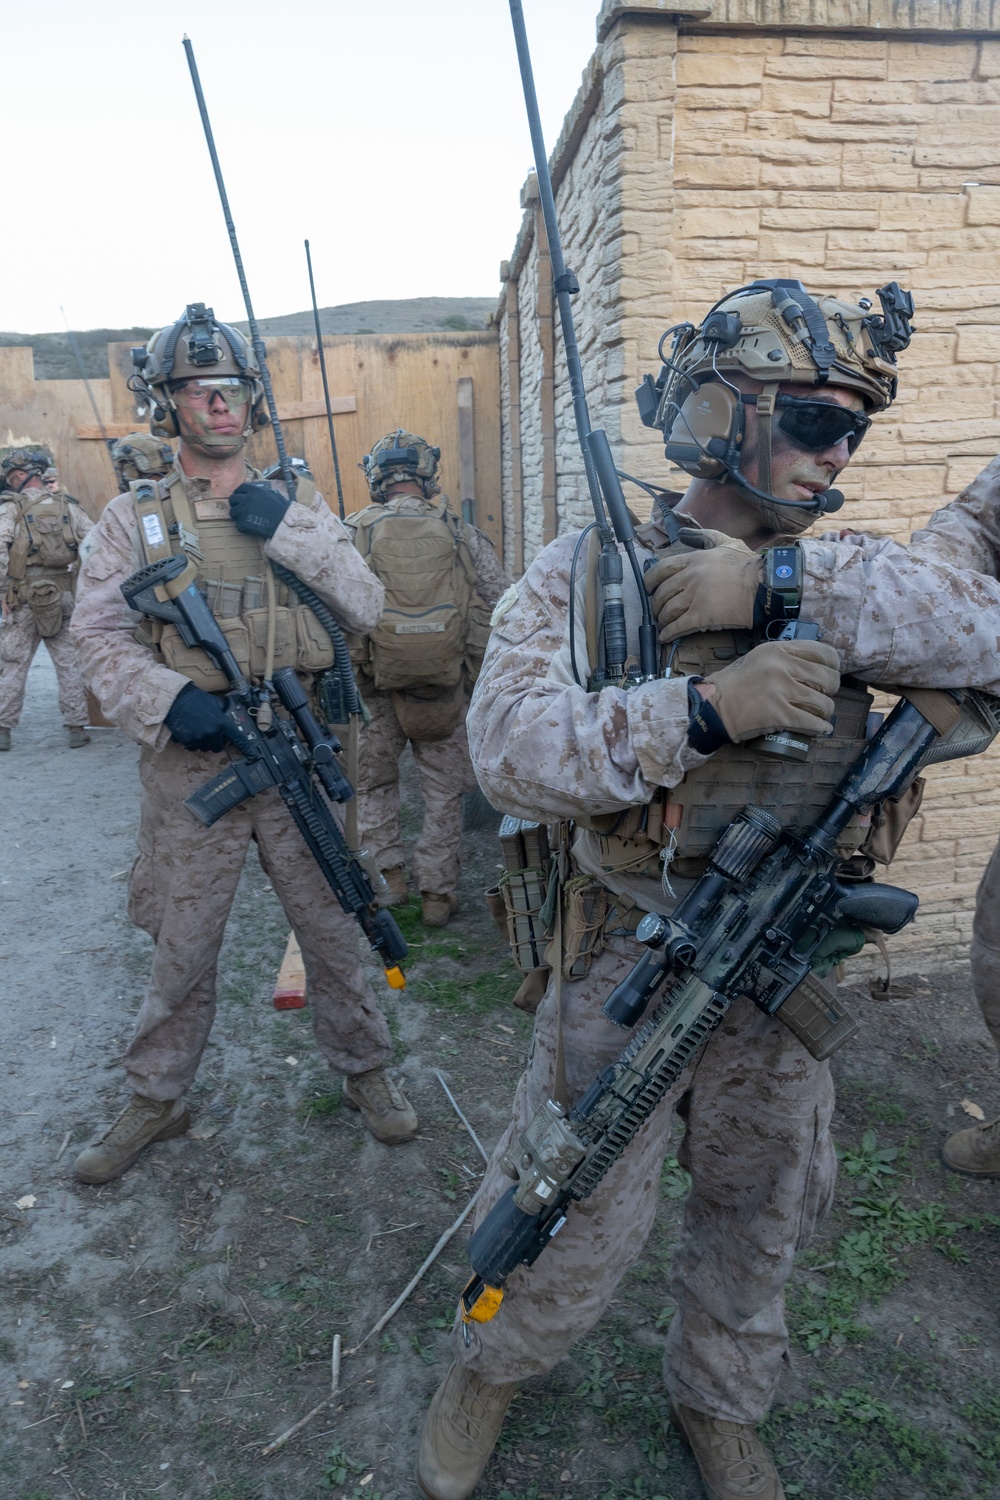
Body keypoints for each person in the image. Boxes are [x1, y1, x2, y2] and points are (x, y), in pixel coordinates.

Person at [416, 279, 918, 1500]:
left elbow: (976, 629)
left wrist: (779, 601)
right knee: (572, 1196)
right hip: (630, 959)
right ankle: (488, 1370)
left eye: (853, 427)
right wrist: (696, 712)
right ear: (717, 410)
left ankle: (720, 1403)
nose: (836, 451)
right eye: (810, 420)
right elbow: (508, 751)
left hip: (784, 959)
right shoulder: (589, 569)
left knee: (761, 1205)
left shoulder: (848, 576)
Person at [70, 303, 418, 1185]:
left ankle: (365, 1070)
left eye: (231, 389)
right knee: (183, 941)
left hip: (297, 751)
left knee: (336, 923)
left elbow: (368, 606)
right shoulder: (133, 521)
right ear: (168, 404)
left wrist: (288, 527)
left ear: (251, 401)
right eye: (198, 390)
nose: (218, 406)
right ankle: (157, 1096)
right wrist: (168, 696)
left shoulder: (295, 502)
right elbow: (95, 642)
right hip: (197, 762)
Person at [346, 431, 507, 927]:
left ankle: (389, 879)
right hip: (443, 685)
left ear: (376, 476)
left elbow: (329, 605)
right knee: (443, 793)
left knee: (373, 786)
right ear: (426, 474)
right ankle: (438, 894)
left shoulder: (351, 533)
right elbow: (501, 596)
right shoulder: (459, 532)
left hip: (373, 687)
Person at [0, 444, 93, 750]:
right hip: (62, 596)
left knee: (13, 664)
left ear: (21, 477)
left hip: (22, 599)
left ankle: (3, 729)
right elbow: (94, 546)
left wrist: (4, 591)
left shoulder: (9, 509)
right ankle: (77, 727)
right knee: (68, 663)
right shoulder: (68, 507)